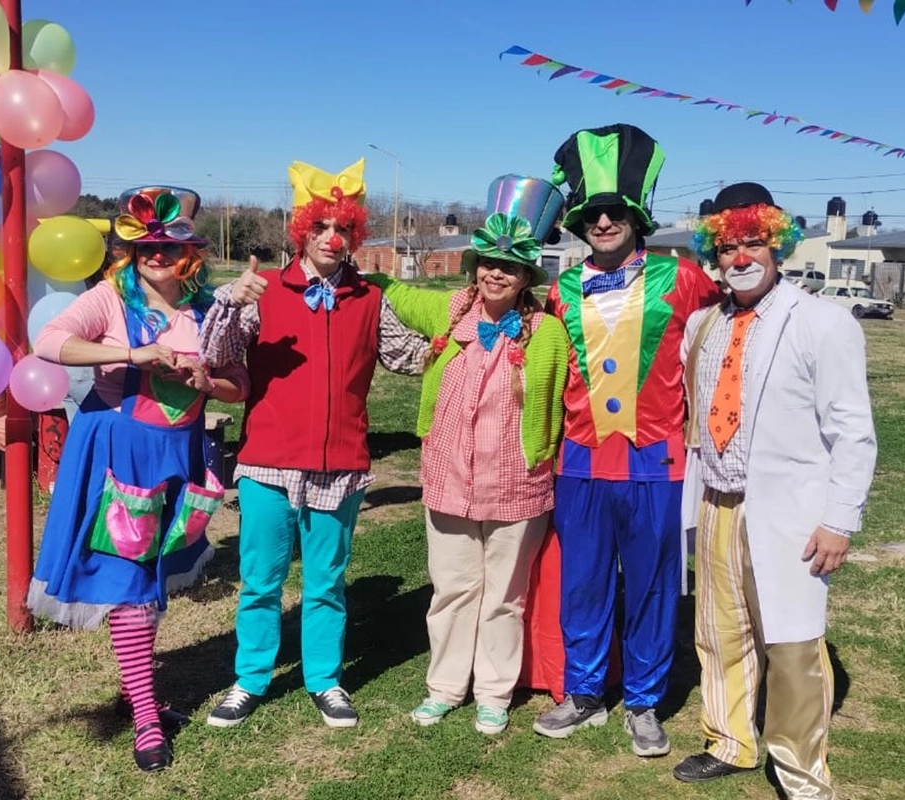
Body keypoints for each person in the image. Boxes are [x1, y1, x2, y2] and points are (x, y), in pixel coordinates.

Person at [199, 158, 428, 730]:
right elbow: (216, 357)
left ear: (355, 235)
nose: (332, 238)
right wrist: (230, 301)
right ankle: (251, 678)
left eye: (343, 228)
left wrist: (470, 328)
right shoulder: (264, 291)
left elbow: (408, 357)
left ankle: (324, 678)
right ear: (301, 231)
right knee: (261, 580)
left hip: (339, 465)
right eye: (320, 226)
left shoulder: (369, 299)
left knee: (326, 583)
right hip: (268, 463)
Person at [28, 186, 248, 772]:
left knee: (151, 578)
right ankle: (147, 714)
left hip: (181, 455)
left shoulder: (206, 311)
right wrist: (134, 353)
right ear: (132, 250)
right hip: (120, 454)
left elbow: (238, 384)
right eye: (147, 245)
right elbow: (48, 342)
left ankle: (138, 690)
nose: (157, 255)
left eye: (169, 247)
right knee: (126, 580)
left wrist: (207, 382)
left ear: (190, 256)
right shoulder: (108, 298)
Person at [672, 182, 876, 797]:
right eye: (728, 246)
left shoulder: (824, 323)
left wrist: (839, 519)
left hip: (787, 512)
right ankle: (730, 739)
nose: (740, 258)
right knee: (719, 631)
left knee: (791, 645)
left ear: (777, 245)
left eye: (753, 243)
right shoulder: (702, 326)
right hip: (714, 502)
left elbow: (853, 432)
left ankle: (800, 771)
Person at [531, 124, 722, 757]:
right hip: (580, 461)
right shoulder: (558, 290)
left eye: (615, 211)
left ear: (636, 217)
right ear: (580, 223)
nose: (604, 221)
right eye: (592, 213)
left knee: (652, 584)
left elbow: (734, 329)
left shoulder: (684, 278)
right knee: (582, 580)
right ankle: (584, 693)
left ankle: (643, 701)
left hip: (656, 462)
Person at [364, 175, 570, 735]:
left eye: (509, 265)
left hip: (519, 485)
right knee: (453, 589)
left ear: (526, 275)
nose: (495, 273)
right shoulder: (452, 311)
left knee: (505, 596)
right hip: (450, 478)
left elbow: (570, 394)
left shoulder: (548, 331)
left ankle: (495, 693)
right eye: (487, 262)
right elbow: (398, 294)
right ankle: (445, 687)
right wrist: (366, 275)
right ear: (474, 265)